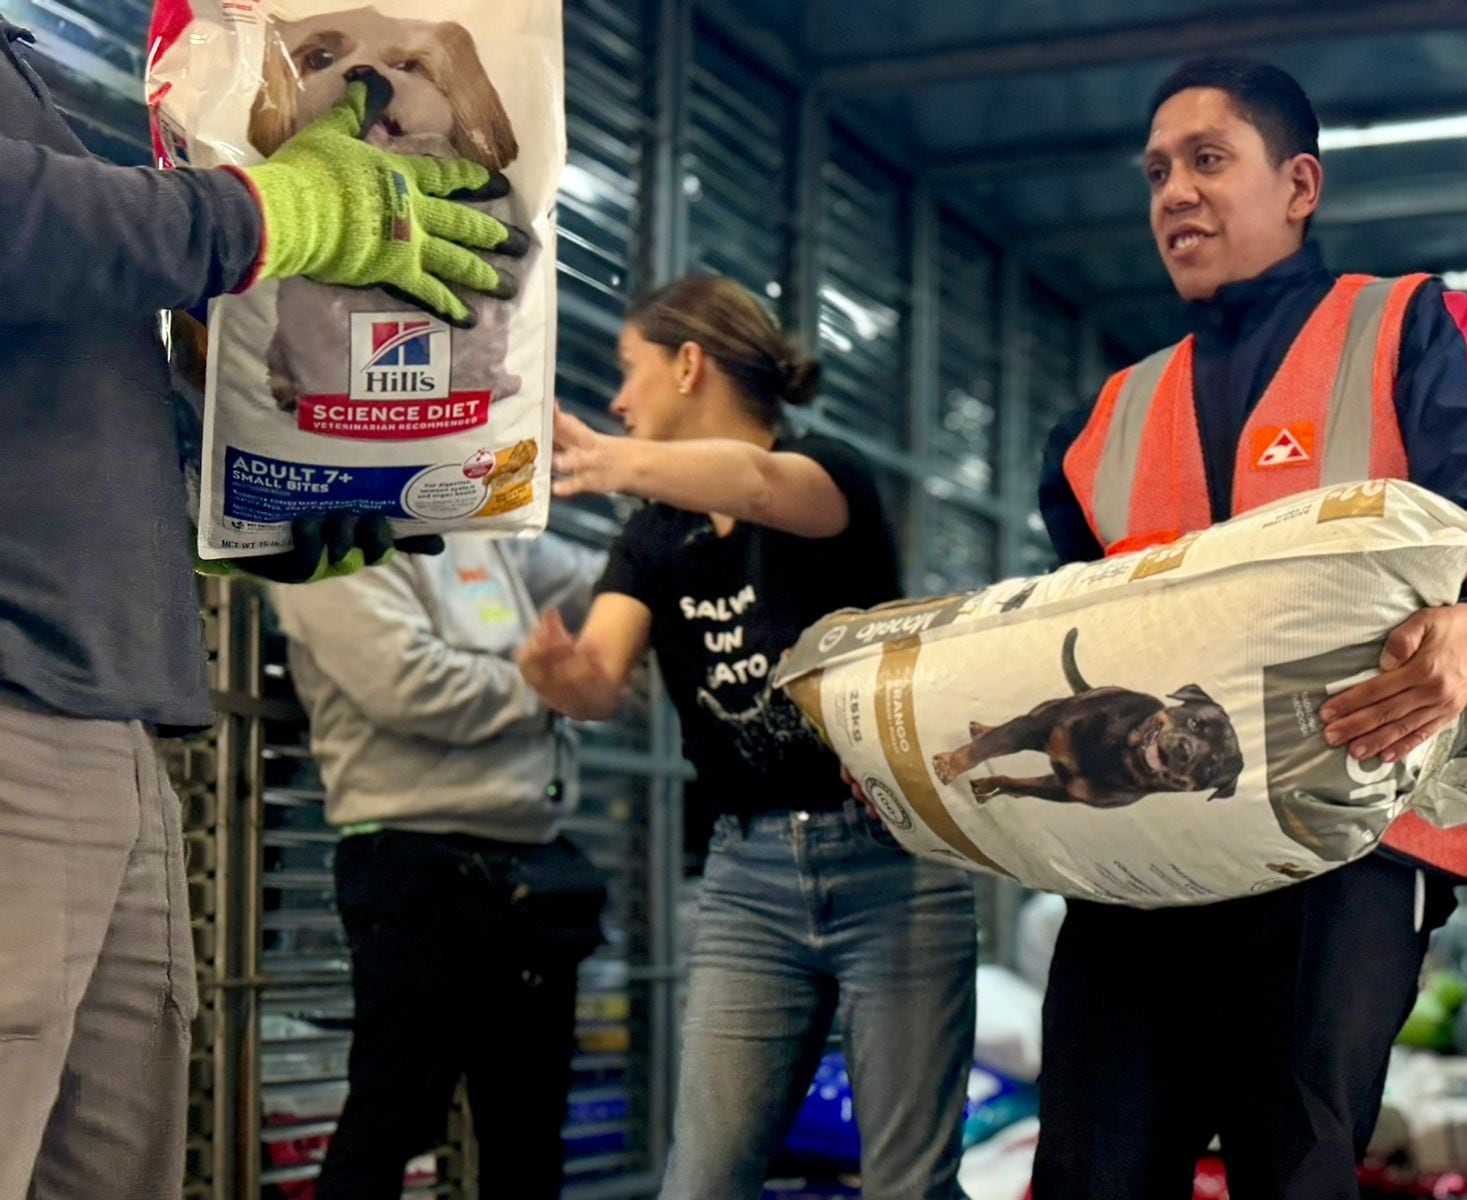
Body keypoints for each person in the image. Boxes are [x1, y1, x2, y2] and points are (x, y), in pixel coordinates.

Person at [1031, 56, 1467, 1199]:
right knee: (1093, 1168)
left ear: (1298, 186)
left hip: (1345, 844)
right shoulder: (1099, 423)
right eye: (1156, 172)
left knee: (1294, 1166)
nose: (1173, 190)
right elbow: (1062, 642)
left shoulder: (1411, 328)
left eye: (1207, 160)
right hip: (1145, 857)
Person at [0, 22, 519, 1198]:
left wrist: (260, 501)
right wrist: (258, 215)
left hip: (107, 726)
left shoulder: (21, 66)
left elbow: (59, 371)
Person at [517, 275, 979, 1200]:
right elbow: (602, 677)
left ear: (689, 365)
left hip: (894, 864)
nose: (616, 399)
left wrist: (612, 461)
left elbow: (761, 483)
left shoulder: (830, 477)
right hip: (748, 879)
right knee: (702, 1181)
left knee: (906, 1185)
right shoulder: (653, 536)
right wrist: (565, 680)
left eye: (628, 370)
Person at [270, 532, 607, 1199]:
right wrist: (540, 683)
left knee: (528, 1131)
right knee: (391, 1114)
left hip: (528, 869)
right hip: (413, 863)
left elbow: (600, 579)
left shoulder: (480, 525)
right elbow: (406, 683)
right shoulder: (337, 528)